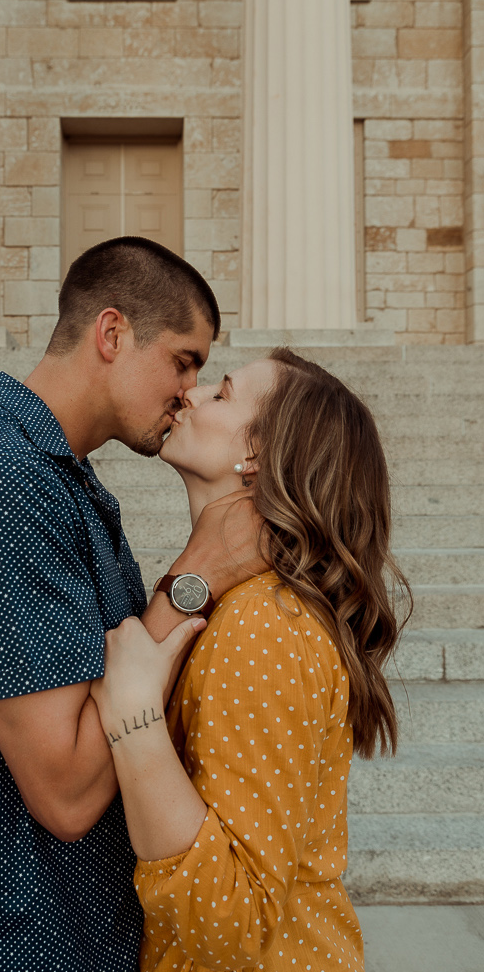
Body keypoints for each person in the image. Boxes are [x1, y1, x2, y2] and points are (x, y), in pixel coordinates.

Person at [0, 236, 267, 970]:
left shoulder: (60, 480)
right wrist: (196, 575)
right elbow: (66, 794)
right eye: (184, 361)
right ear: (112, 333)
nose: (189, 391)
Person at [91, 349, 409, 971]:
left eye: (223, 392)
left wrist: (134, 720)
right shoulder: (246, 606)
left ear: (259, 454)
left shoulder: (264, 624)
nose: (192, 392)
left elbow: (231, 919)